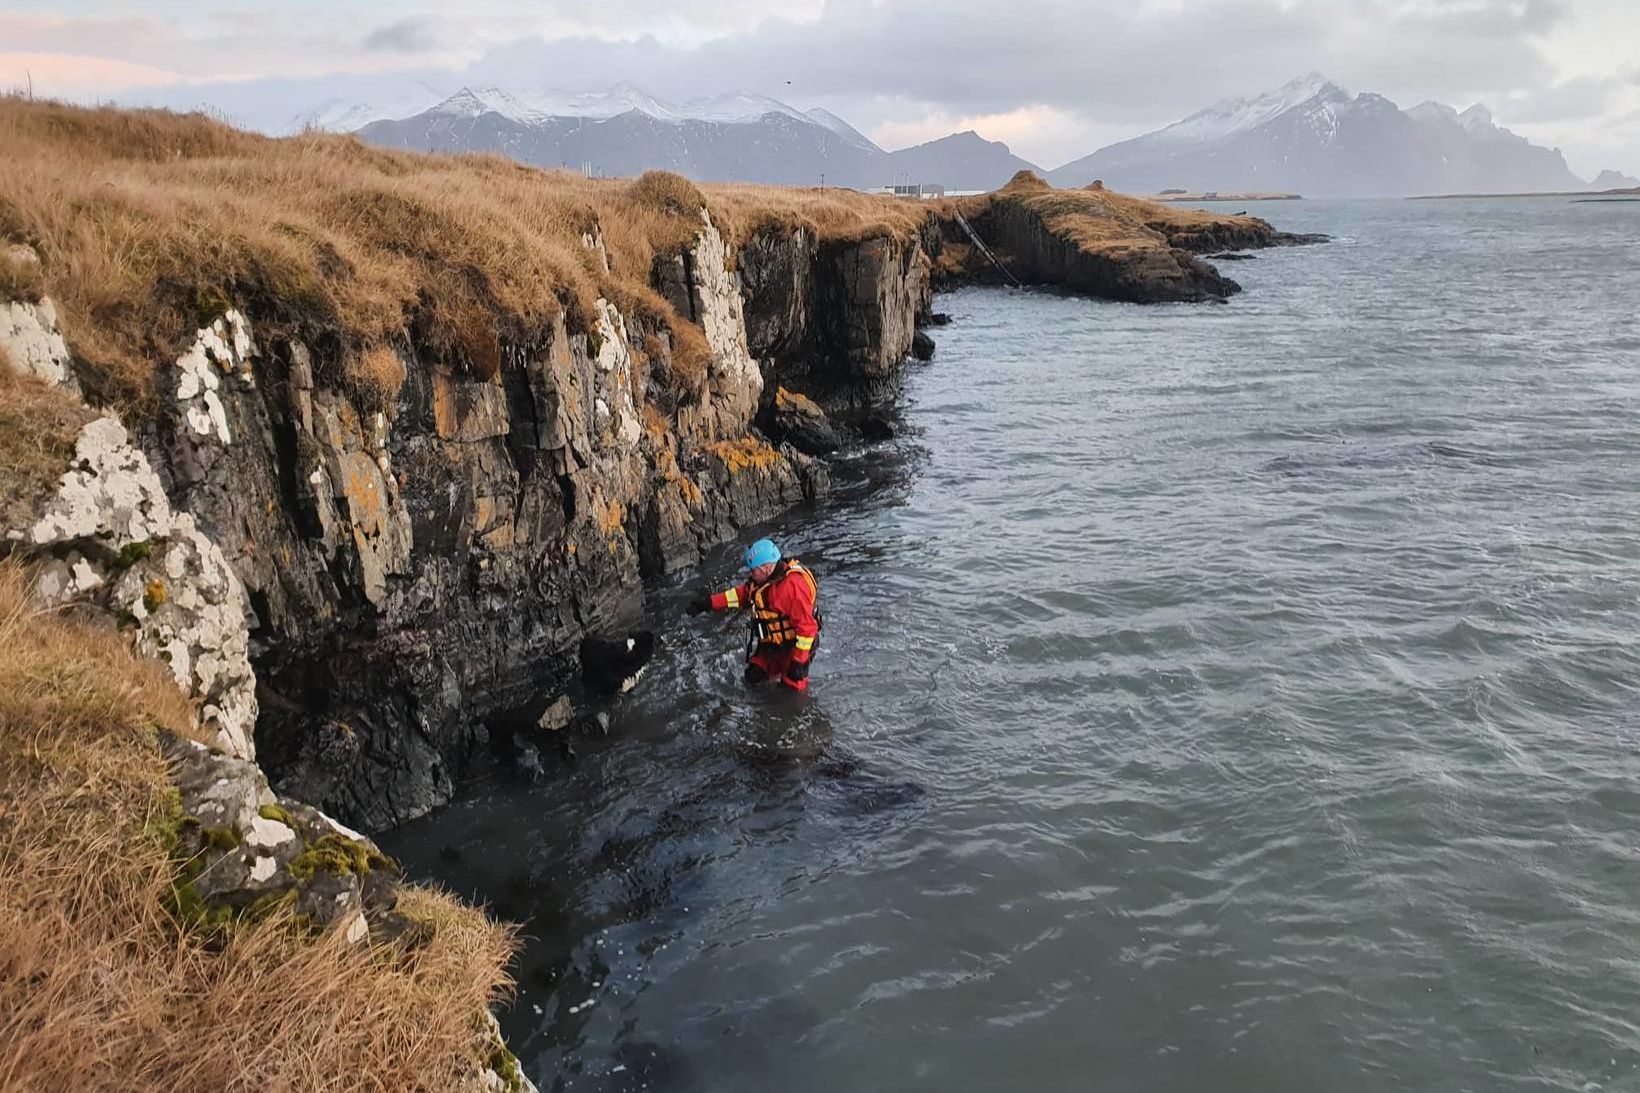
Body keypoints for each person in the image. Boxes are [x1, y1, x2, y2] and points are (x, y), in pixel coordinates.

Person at [688, 537, 820, 691]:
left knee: (791, 689)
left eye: (753, 570)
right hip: (771, 646)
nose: (750, 573)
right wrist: (708, 603)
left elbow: (807, 629)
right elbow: (740, 596)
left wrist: (799, 662)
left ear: (767, 567)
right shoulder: (759, 583)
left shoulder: (793, 587)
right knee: (752, 677)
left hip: (794, 648)